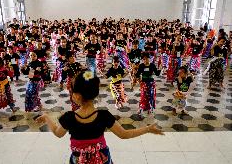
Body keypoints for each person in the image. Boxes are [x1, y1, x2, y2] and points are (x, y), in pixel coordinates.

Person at [36, 70, 164, 164]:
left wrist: (47, 117)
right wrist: (147, 129)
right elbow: (124, 134)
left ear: (77, 96)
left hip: (78, 160)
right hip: (102, 160)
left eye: (72, 91)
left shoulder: (69, 117)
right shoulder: (104, 116)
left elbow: (58, 133)